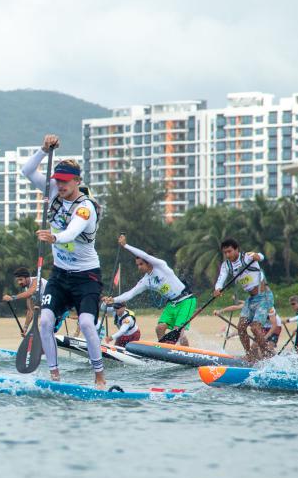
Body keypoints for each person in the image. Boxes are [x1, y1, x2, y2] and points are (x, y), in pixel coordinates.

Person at [21, 134, 106, 388]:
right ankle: (54, 375)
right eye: (57, 181)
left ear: (78, 181)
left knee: (86, 323)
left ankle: (99, 376)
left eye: (65, 182)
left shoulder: (86, 207)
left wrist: (54, 237)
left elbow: (71, 232)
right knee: (46, 321)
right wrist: (43, 150)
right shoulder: (53, 190)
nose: (60, 185)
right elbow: (27, 170)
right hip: (60, 274)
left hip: (86, 276)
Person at [102, 235, 196, 345]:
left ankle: (186, 353)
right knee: (159, 328)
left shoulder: (161, 265)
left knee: (178, 331)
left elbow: (144, 255)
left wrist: (126, 246)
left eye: (141, 264)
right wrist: (113, 300)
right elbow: (130, 293)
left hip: (186, 300)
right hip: (172, 304)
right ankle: (164, 352)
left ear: (148, 262)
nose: (139, 267)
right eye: (137, 265)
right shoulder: (145, 281)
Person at [213, 239, 272, 362]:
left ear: (236, 249)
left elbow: (261, 257)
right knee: (241, 327)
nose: (228, 255)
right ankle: (249, 355)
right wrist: (218, 289)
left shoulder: (247, 257)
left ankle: (268, 356)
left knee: (255, 328)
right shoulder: (226, 265)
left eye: (229, 251)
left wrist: (257, 255)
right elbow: (221, 278)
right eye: (225, 253)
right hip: (250, 299)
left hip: (264, 297)